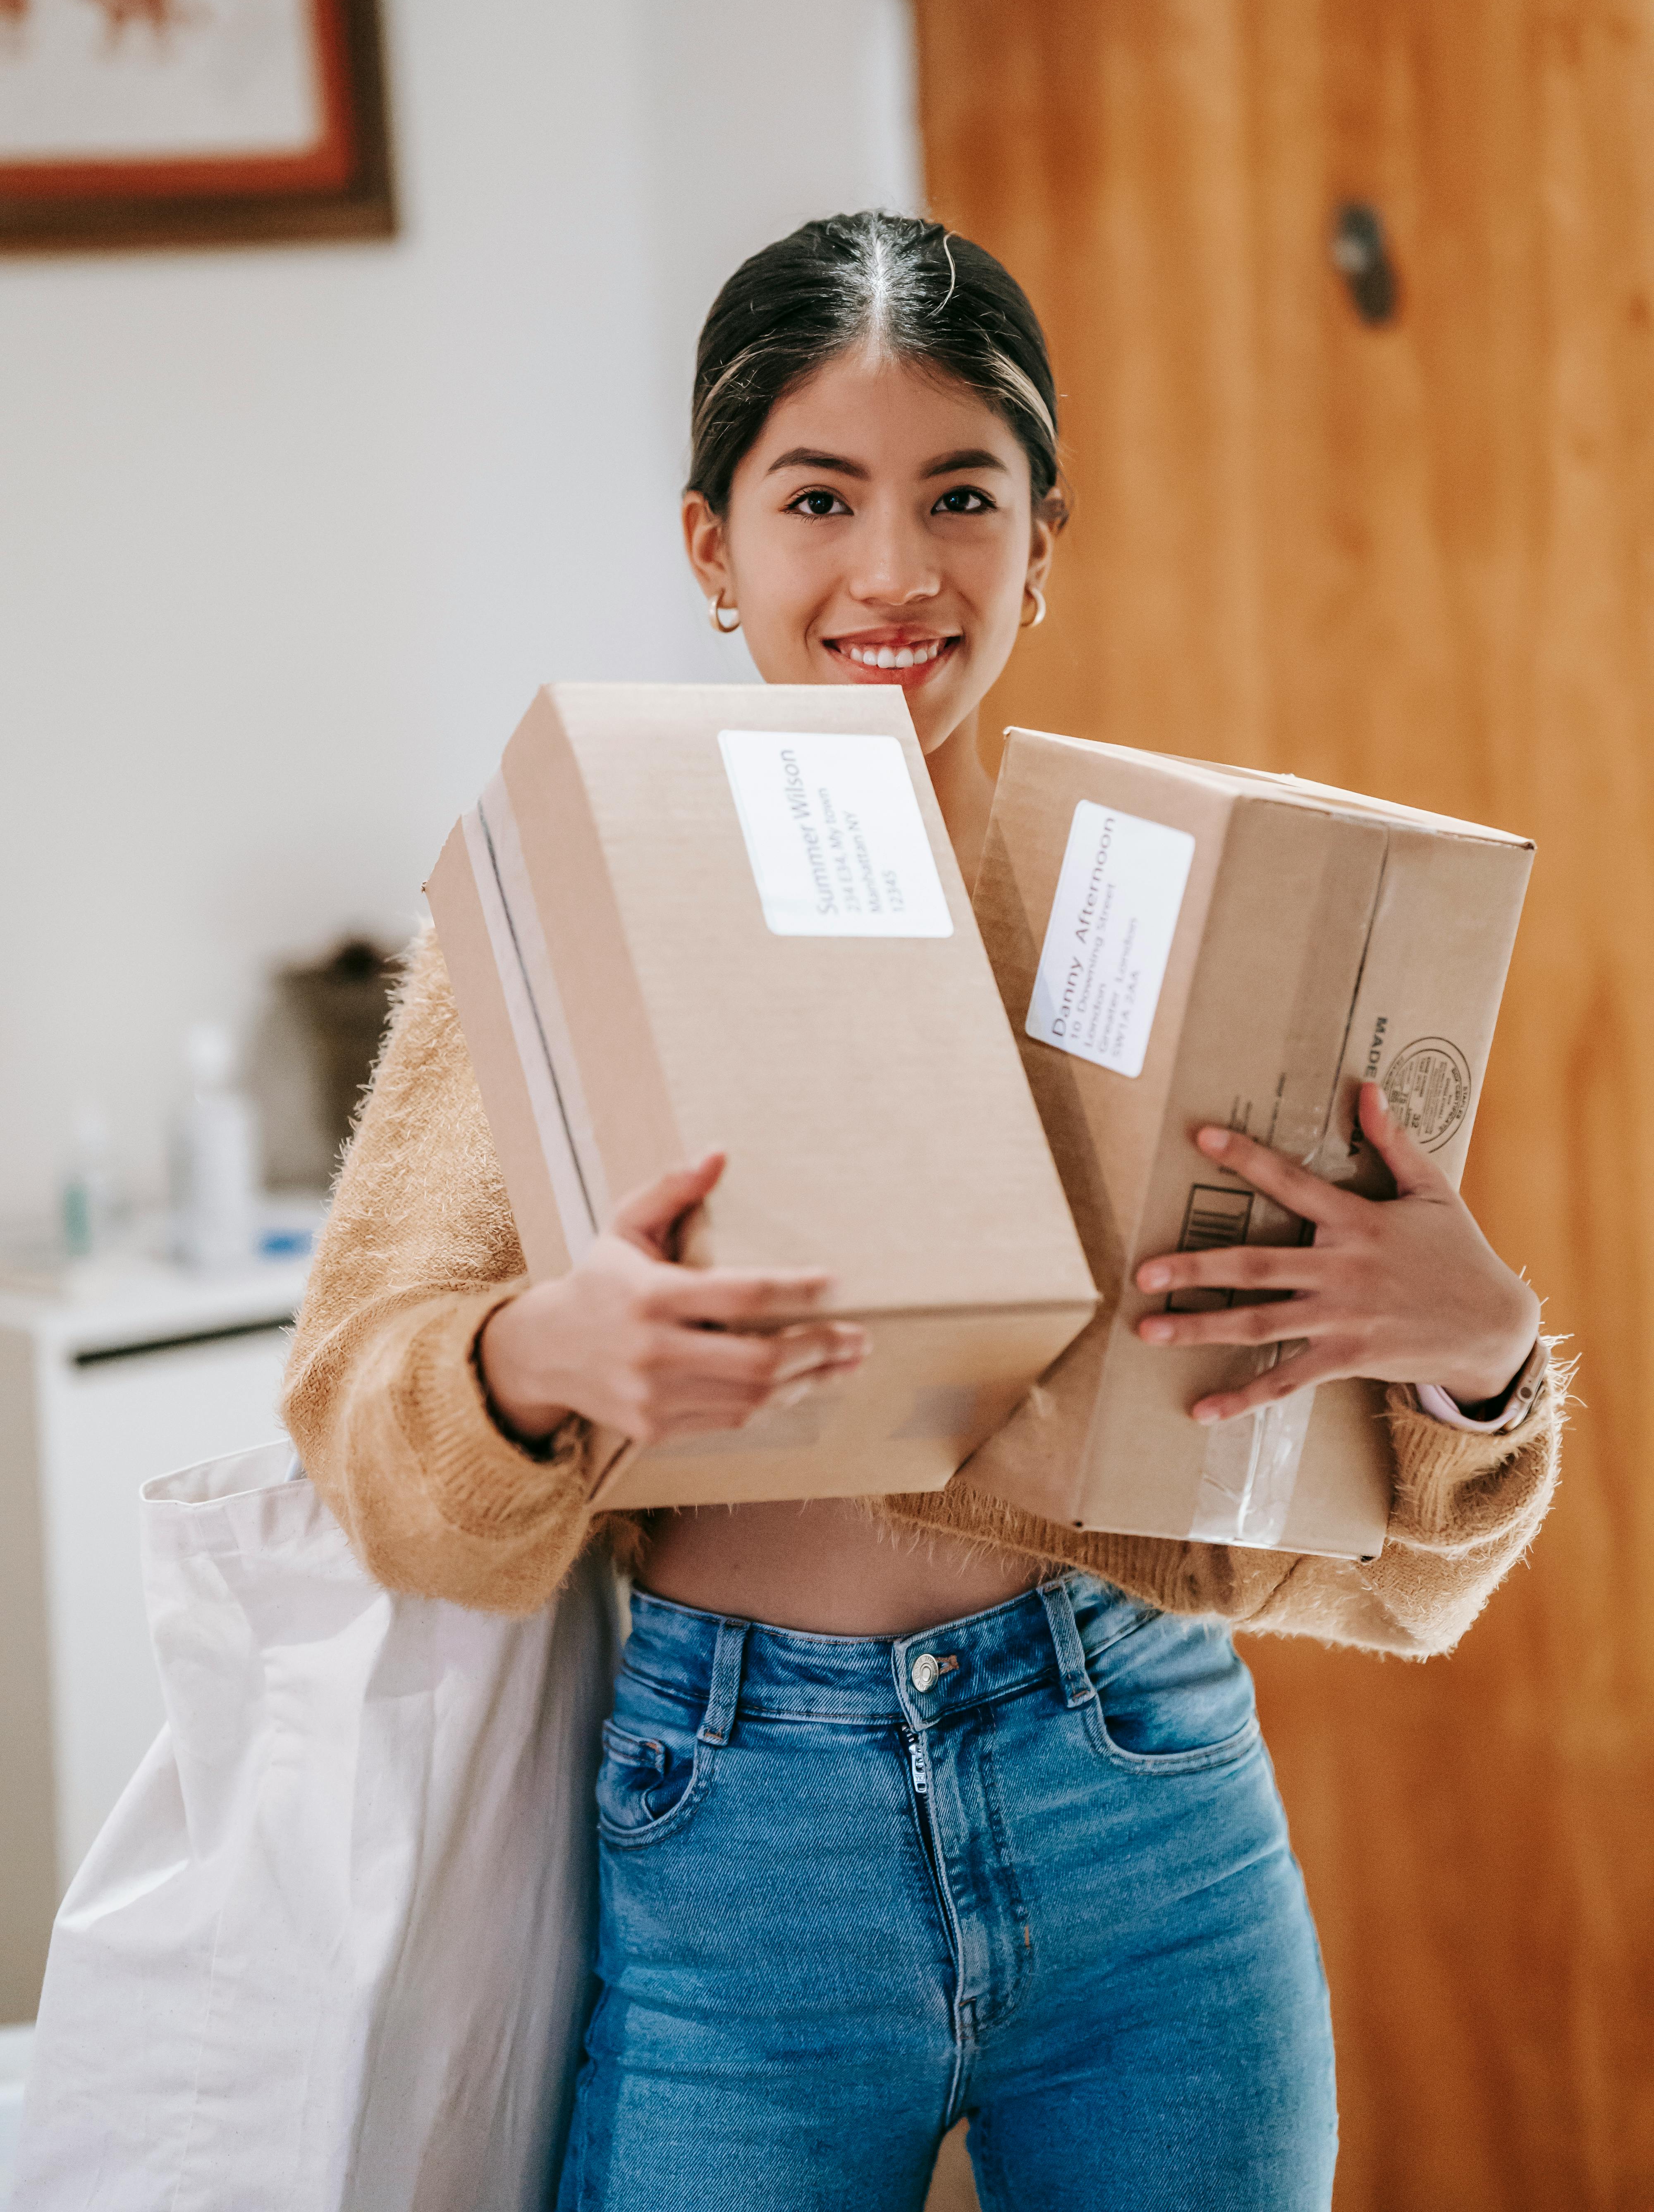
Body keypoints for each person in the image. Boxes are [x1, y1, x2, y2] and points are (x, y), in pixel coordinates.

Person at [283, 212, 1564, 2212]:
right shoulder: (571, 894)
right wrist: (533, 1362)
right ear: (712, 547)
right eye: (820, 497)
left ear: (1044, 540)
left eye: (962, 495)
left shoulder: (1165, 920)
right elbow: (363, 1424)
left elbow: (1388, 1555)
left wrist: (1477, 1356)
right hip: (740, 1838)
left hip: (1144, 1796)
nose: (894, 570)